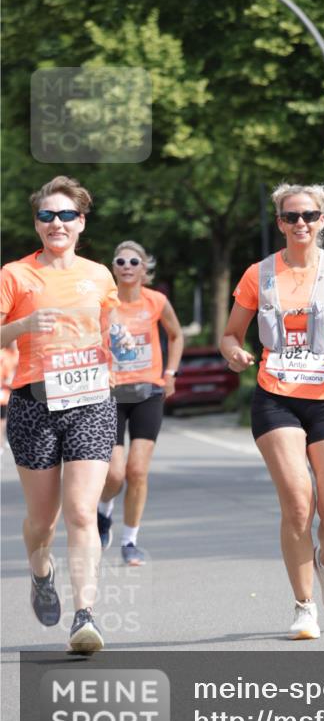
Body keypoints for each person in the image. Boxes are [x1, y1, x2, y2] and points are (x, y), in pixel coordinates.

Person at [221, 182, 324, 640]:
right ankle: (304, 606)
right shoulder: (259, 274)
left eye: (309, 215)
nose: (301, 223)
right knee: (297, 506)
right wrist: (233, 353)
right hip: (276, 398)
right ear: (280, 223)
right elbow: (230, 333)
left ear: (323, 219)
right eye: (291, 217)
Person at [0, 176, 133, 653]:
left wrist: (118, 342)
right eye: (47, 216)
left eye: (66, 216)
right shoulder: (15, 275)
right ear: (37, 223)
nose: (56, 224)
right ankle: (40, 572)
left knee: (81, 511)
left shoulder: (99, 274)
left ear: (81, 222)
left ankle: (85, 617)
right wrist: (23, 324)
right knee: (43, 519)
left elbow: (109, 325)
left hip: (91, 401)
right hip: (35, 404)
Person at [97, 241, 184, 565]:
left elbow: (176, 335)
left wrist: (171, 372)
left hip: (149, 392)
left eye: (134, 261)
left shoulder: (156, 301)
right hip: (112, 394)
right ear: (114, 267)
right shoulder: (104, 304)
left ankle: (130, 542)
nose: (127, 266)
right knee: (114, 474)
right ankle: (103, 511)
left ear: (144, 267)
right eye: (120, 260)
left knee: (138, 471)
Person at [0, 342, 19, 447]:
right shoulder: (4, 354)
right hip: (4, 388)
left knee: (5, 417)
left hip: (8, 390)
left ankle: (4, 439)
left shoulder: (15, 354)